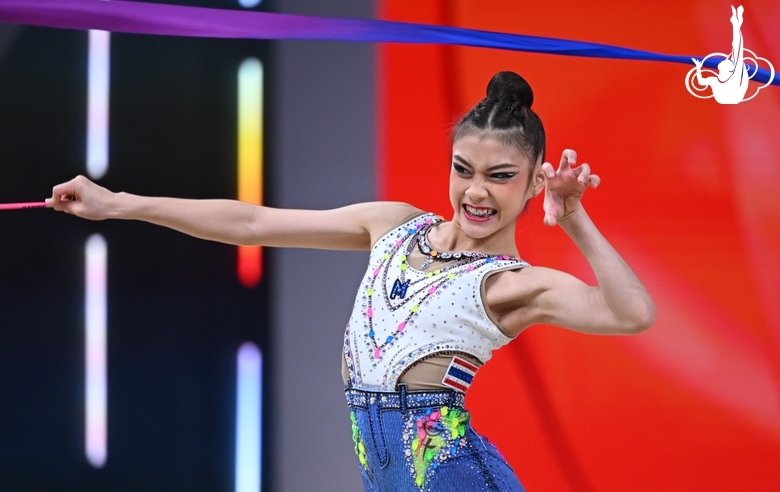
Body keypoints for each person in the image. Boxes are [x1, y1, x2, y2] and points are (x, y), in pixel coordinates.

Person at [48, 71, 655, 491]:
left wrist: (573, 217)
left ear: (531, 185)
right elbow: (252, 221)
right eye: (462, 169)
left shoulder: (511, 284)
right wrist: (119, 203)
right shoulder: (392, 226)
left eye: (500, 177)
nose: (475, 191)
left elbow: (632, 314)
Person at [692, 5, 748, 104]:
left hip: (731, 97)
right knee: (738, 55)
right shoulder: (726, 78)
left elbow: (701, 82)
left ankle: (736, 24)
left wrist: (698, 67)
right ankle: (736, 24)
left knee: (737, 53)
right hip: (731, 97)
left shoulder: (715, 80)